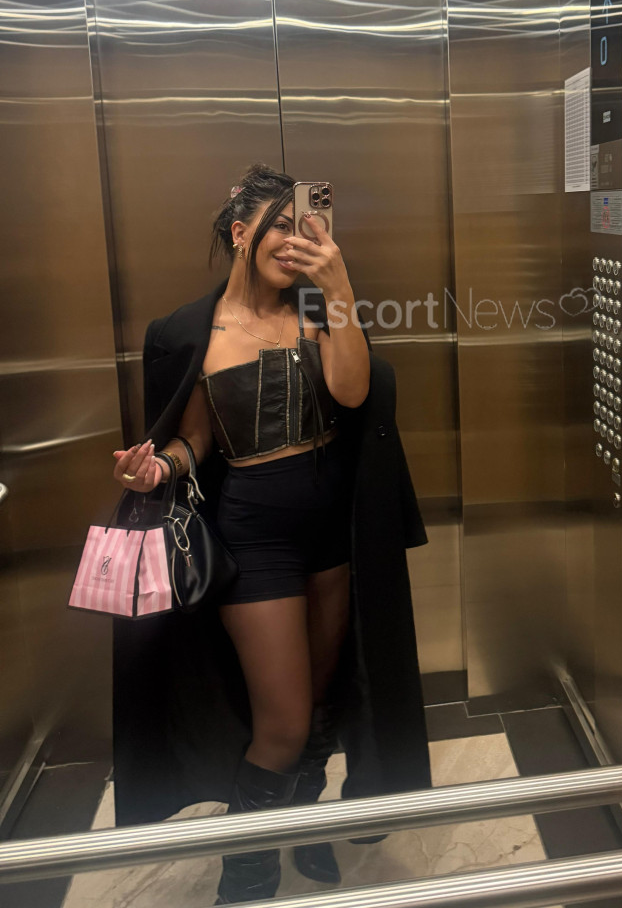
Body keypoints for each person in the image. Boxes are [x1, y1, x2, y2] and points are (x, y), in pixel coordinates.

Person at [110, 163, 431, 904]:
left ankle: (304, 823)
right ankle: (246, 872)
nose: (295, 240)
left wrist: (338, 286)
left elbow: (351, 390)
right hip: (254, 539)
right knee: (281, 722)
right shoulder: (190, 332)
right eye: (279, 225)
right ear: (240, 232)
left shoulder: (319, 309)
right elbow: (195, 440)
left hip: (333, 532)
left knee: (320, 703)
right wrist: (157, 470)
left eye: (308, 226)